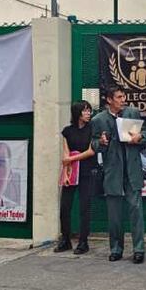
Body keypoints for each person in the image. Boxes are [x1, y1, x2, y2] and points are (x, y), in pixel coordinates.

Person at [91, 87, 146, 264]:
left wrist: (139, 137)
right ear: (109, 100)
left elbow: (145, 134)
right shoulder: (98, 120)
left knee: (136, 210)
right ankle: (116, 249)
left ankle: (139, 249)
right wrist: (100, 142)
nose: (123, 99)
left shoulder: (133, 113)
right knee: (114, 214)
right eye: (119, 97)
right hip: (113, 170)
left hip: (132, 169)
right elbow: (93, 145)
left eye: (124, 96)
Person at [56, 101, 97, 254]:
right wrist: (66, 173)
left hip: (87, 171)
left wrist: (71, 159)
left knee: (84, 208)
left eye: (89, 111)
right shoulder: (67, 131)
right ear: (77, 112)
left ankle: (83, 242)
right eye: (85, 111)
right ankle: (65, 239)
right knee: (65, 207)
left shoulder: (92, 129)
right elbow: (65, 153)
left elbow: (91, 151)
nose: (88, 113)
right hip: (71, 173)